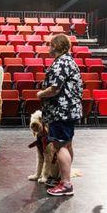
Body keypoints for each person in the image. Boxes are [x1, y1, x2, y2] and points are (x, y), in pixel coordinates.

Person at [37, 34, 83, 196]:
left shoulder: (61, 62)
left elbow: (55, 88)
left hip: (61, 111)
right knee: (68, 144)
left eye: (50, 44)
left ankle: (66, 184)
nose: (49, 47)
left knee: (59, 145)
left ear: (56, 46)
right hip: (69, 110)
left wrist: (40, 94)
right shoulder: (69, 61)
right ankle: (66, 178)